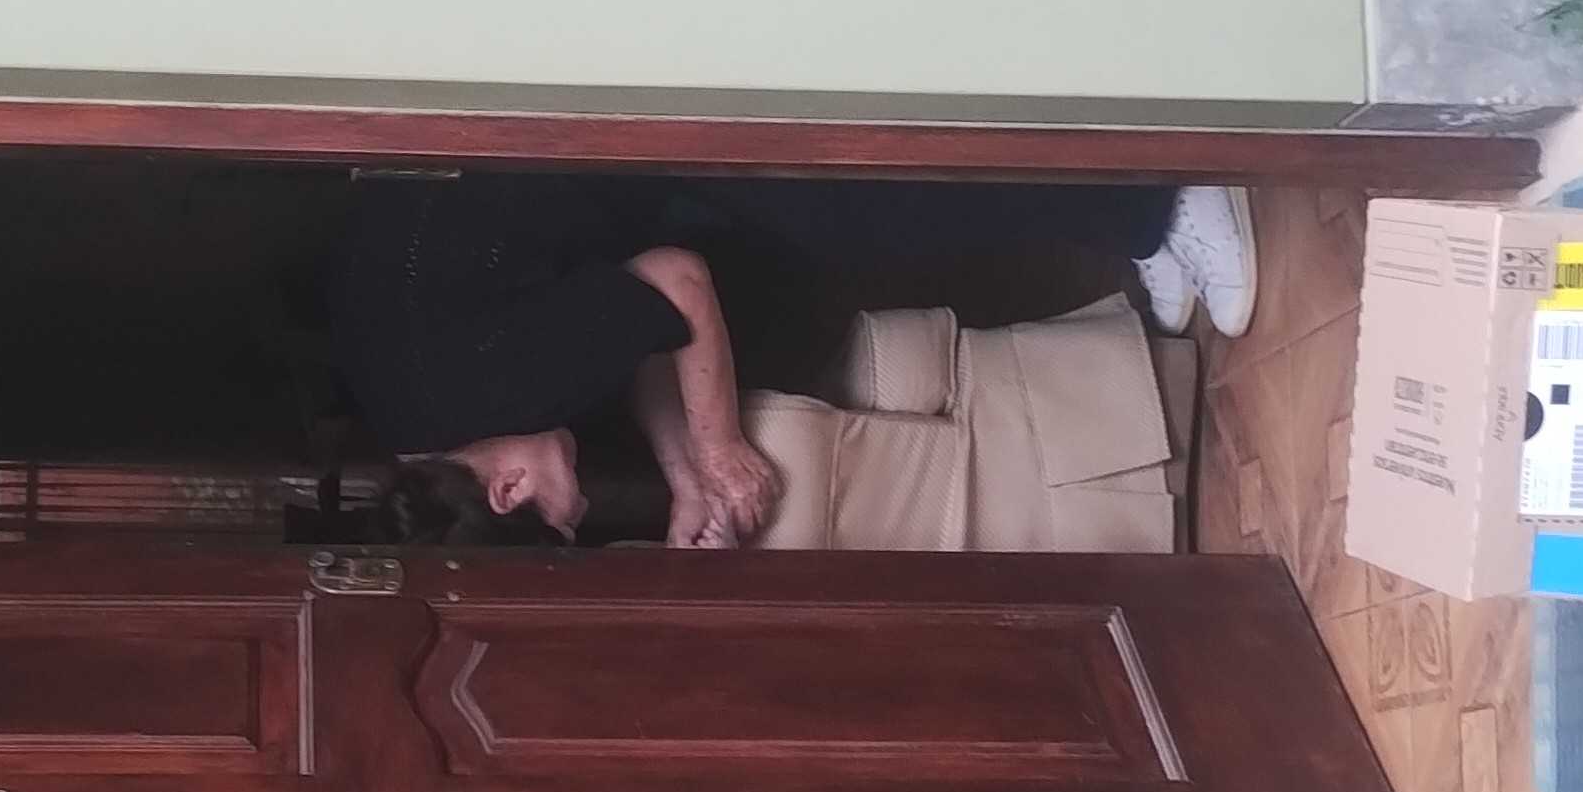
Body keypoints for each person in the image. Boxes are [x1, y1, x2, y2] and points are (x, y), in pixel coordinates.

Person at [329, 174, 1254, 546]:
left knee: (858, 207)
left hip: (595, 119)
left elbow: (676, 286)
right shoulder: (422, 421)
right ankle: (1135, 218)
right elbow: (629, 319)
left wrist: (721, 447)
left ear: (505, 489)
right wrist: (689, 478)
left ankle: (1160, 198)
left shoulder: (490, 388)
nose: (583, 503)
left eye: (567, 517)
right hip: (569, 164)